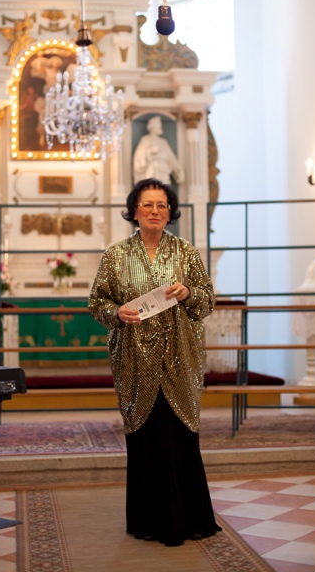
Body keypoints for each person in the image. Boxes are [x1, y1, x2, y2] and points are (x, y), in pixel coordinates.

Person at [88, 178, 221, 547]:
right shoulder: (116, 255)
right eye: (147, 204)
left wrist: (188, 292)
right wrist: (117, 313)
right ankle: (147, 521)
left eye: (162, 205)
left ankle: (188, 520)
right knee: (146, 438)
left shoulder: (186, 252)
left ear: (170, 212)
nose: (155, 211)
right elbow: (97, 303)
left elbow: (207, 301)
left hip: (179, 359)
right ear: (134, 211)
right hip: (134, 361)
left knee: (179, 437)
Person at [133, 115, 185, 185]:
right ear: (153, 127)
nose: (160, 127)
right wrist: (150, 151)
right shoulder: (146, 139)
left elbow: (171, 157)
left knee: (164, 189)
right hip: (152, 169)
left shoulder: (163, 141)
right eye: (158, 125)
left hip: (163, 171)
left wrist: (178, 169)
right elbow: (139, 155)